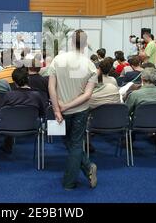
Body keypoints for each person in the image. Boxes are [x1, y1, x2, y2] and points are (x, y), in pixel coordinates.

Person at [48, 29, 98, 190]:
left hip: (61, 110)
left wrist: (57, 109)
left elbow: (51, 87)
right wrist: (67, 106)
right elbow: (88, 94)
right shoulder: (90, 65)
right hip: (80, 111)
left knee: (69, 142)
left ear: (71, 42)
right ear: (85, 43)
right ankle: (86, 168)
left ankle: (71, 180)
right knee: (75, 144)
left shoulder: (58, 60)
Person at [0, 67, 46, 154]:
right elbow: (42, 113)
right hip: (32, 126)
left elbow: (2, 113)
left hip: (10, 127)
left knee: (11, 117)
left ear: (14, 81)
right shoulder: (36, 95)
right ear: (28, 78)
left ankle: (7, 144)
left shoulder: (8, 95)